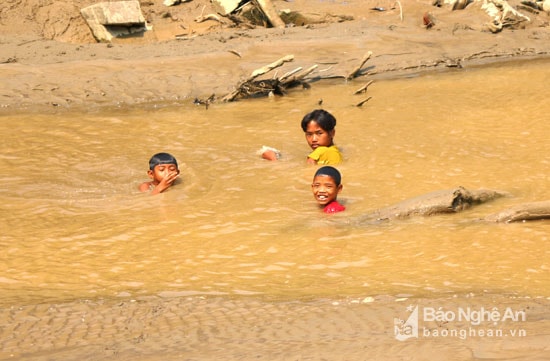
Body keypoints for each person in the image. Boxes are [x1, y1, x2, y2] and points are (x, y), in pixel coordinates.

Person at [259, 109, 343, 164]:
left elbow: (307, 173)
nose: (313, 139)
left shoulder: (321, 150)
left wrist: (274, 160)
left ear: (332, 133)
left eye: (319, 133)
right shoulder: (336, 151)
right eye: (309, 134)